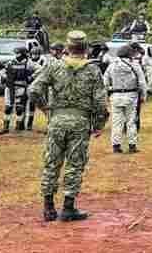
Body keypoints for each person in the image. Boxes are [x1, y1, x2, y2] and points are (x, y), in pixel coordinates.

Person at [29, 30, 109, 222]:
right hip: (80, 122)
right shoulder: (92, 70)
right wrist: (99, 124)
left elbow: (33, 90)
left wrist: (45, 108)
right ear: (85, 48)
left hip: (57, 120)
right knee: (75, 163)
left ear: (67, 47)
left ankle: (48, 207)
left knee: (51, 162)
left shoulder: (53, 66)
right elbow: (100, 102)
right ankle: (68, 207)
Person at [104, 43, 146, 153]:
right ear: (130, 54)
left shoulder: (112, 65)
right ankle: (132, 145)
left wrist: (106, 95)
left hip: (116, 96)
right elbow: (142, 83)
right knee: (131, 121)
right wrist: (143, 96)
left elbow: (105, 82)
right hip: (131, 96)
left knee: (116, 122)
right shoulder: (135, 65)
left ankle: (116, 146)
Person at [0, 46, 37, 134]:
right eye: (16, 53)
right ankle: (5, 127)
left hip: (21, 87)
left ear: (23, 54)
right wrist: (6, 77)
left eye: (18, 53)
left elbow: (40, 69)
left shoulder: (29, 63)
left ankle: (19, 126)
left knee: (19, 108)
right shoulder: (11, 62)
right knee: (8, 107)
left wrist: (31, 77)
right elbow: (2, 71)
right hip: (10, 87)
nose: (17, 55)